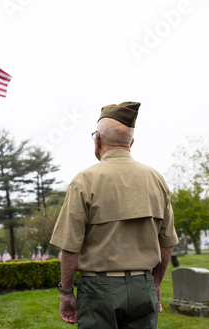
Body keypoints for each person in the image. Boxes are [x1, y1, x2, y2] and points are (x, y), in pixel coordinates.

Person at [50, 101, 178, 328]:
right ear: (131, 142)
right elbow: (167, 242)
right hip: (143, 286)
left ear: (97, 138)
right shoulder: (157, 179)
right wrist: (155, 284)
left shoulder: (84, 181)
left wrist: (66, 292)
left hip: (99, 290)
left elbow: (70, 246)